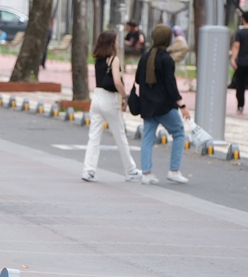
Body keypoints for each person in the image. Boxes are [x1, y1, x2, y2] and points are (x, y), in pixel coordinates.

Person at [82, 30, 142, 183]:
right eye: (115, 40)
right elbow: (116, 81)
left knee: (94, 136)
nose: (117, 43)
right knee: (120, 136)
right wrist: (125, 96)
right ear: (111, 43)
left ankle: (88, 170)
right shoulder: (113, 59)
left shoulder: (98, 59)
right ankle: (130, 170)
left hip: (96, 97)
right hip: (109, 100)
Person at [135, 24, 191, 185]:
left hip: (147, 105)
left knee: (147, 138)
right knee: (179, 133)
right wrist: (182, 105)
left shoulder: (145, 57)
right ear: (167, 39)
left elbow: (138, 79)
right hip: (164, 107)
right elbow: (171, 86)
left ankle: (146, 173)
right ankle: (174, 171)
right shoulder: (167, 59)